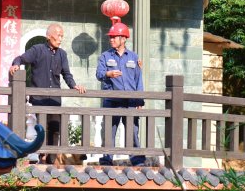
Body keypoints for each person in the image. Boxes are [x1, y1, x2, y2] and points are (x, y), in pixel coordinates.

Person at [9, 23, 85, 163]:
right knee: (42, 128)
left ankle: (51, 159)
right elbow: (21, 58)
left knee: (55, 128)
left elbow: (66, 74)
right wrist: (16, 64)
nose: (60, 39)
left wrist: (74, 86)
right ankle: (40, 156)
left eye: (62, 36)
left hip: (54, 99)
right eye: (58, 35)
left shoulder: (62, 54)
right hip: (39, 98)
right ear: (49, 36)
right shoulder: (37, 50)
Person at [96, 19, 145, 166]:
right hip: (112, 100)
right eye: (110, 37)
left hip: (131, 101)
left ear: (123, 39)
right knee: (109, 131)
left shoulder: (134, 57)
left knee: (132, 131)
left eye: (114, 37)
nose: (111, 39)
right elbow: (99, 74)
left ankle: (137, 160)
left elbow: (138, 79)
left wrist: (140, 100)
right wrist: (108, 74)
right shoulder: (105, 56)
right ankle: (107, 160)